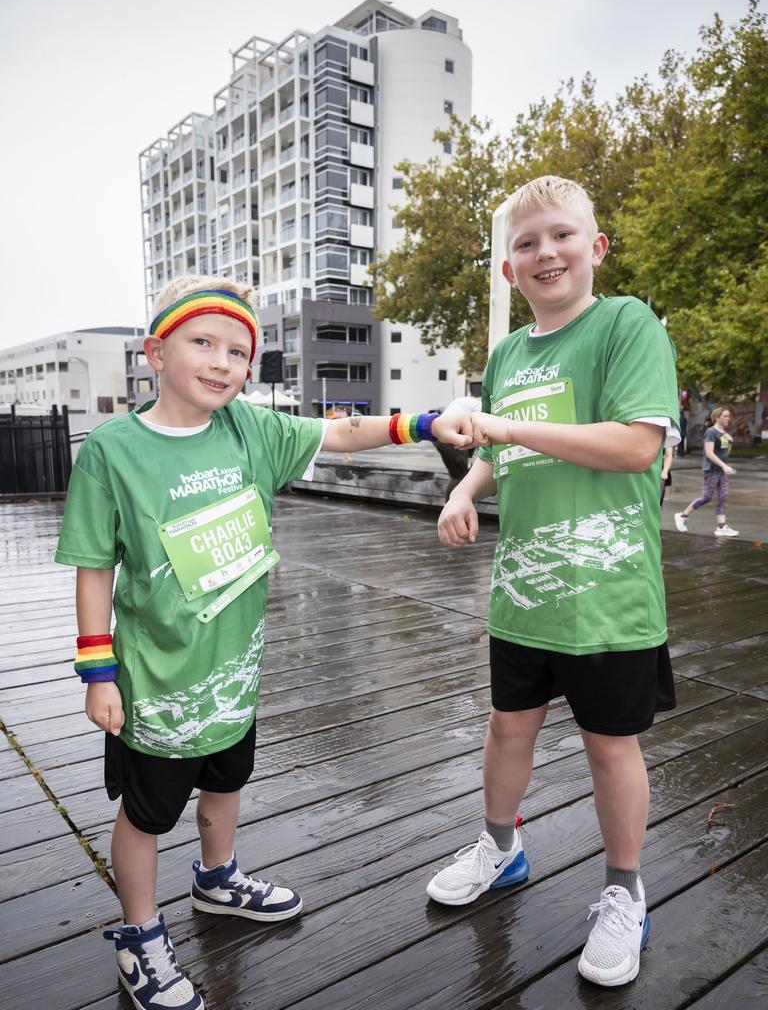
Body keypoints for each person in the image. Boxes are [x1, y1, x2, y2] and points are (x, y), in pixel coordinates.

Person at [55, 276, 472, 1010]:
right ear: (157, 351)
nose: (222, 362)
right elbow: (94, 563)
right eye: (203, 343)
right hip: (157, 682)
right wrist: (98, 670)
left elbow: (342, 433)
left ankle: (217, 880)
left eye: (239, 352)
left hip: (235, 675)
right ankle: (140, 935)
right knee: (147, 813)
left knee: (226, 784)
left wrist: (424, 423)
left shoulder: (252, 429)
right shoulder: (113, 451)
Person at [426, 176, 680, 989]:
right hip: (524, 594)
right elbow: (503, 454)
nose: (546, 253)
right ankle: (500, 848)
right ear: (508, 270)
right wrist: (465, 488)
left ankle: (624, 892)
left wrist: (501, 425)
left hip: (610, 598)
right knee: (507, 730)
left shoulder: (625, 324)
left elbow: (638, 444)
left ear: (595, 247)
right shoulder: (507, 354)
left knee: (612, 748)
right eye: (527, 243)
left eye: (562, 235)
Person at [674, 407, 738, 537]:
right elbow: (709, 453)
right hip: (711, 470)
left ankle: (721, 527)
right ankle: (682, 515)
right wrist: (724, 466)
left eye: (728, 416)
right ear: (717, 417)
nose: (728, 418)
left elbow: (725, 453)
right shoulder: (711, 432)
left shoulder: (723, 433)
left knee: (723, 497)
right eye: (725, 416)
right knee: (706, 497)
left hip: (721, 470)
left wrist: (730, 442)